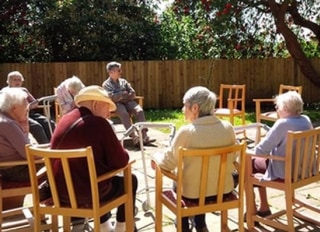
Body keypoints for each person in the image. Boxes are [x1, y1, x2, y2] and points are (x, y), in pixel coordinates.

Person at [50, 85, 138, 232]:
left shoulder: (64, 119)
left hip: (60, 193)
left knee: (95, 174)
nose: (109, 115)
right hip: (88, 195)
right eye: (107, 109)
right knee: (130, 180)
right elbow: (121, 161)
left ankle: (104, 227)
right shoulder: (99, 124)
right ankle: (122, 228)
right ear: (96, 104)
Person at [151, 86, 237, 232]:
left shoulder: (187, 132)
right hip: (223, 191)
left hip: (193, 196)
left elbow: (169, 163)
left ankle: (183, 226)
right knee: (200, 175)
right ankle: (200, 225)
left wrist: (156, 158)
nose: (182, 109)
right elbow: (233, 158)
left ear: (195, 108)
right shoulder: (228, 128)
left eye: (185, 105)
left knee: (179, 180)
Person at [247, 91, 313, 218]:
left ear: (285, 108)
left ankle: (256, 209)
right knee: (255, 161)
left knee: (249, 162)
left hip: (285, 172)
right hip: (305, 169)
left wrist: (246, 151)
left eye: (277, 107)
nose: (277, 111)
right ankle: (263, 207)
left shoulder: (282, 124)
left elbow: (261, 150)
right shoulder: (306, 120)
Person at [102, 61, 155, 146]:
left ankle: (144, 136)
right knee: (124, 114)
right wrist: (123, 94)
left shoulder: (124, 81)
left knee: (139, 111)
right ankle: (134, 137)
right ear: (111, 72)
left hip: (129, 102)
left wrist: (121, 95)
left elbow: (133, 93)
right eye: (118, 70)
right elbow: (111, 97)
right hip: (117, 104)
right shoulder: (106, 84)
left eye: (120, 70)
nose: (120, 72)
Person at [2, 71, 55, 144]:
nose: (17, 82)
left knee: (49, 122)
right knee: (37, 126)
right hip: (16, 116)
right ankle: (45, 147)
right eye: (15, 80)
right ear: (8, 81)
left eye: (19, 80)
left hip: (29, 113)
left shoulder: (24, 90)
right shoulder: (4, 92)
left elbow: (34, 103)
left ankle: (54, 144)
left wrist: (33, 104)